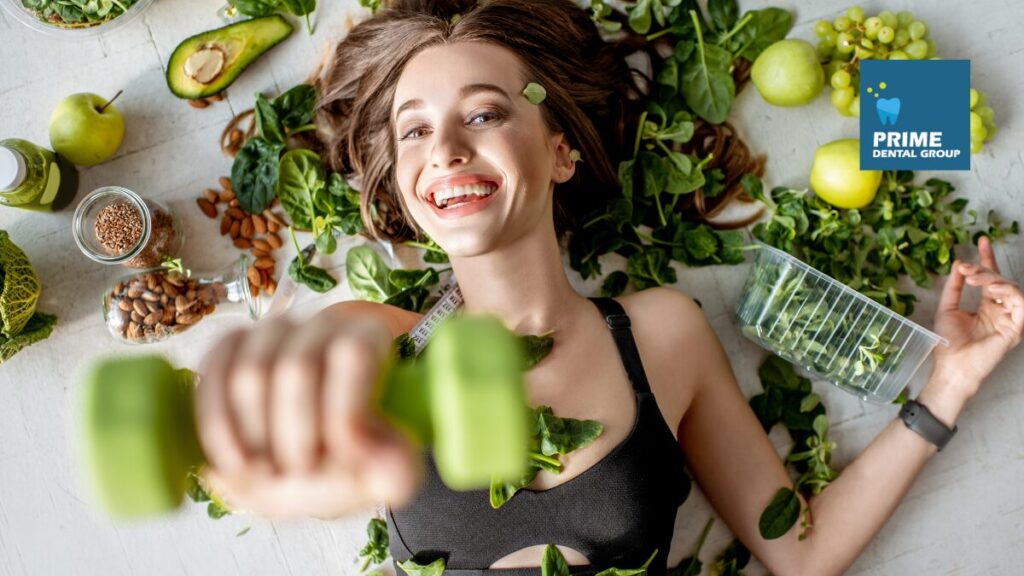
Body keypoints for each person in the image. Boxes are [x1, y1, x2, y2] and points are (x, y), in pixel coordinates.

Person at [195, 1, 1024, 574]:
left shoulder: (662, 333)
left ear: (560, 153)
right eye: (414, 130)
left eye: (483, 114)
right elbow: (238, 475)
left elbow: (799, 551)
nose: (443, 147)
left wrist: (948, 383)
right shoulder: (373, 340)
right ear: (405, 184)